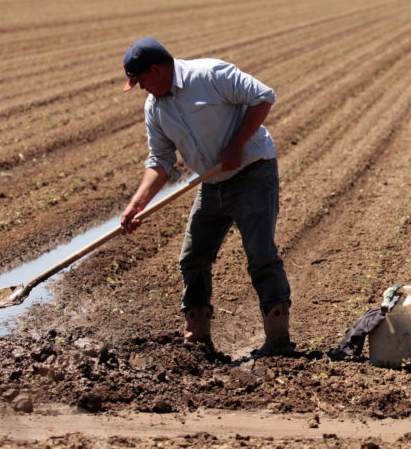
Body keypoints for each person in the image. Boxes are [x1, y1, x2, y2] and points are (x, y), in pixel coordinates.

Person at [119, 37, 293, 354]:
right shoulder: (155, 107)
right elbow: (160, 161)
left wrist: (237, 144)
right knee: (193, 257)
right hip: (212, 184)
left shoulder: (210, 74)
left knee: (260, 254)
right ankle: (197, 340)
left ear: (156, 70)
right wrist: (137, 204)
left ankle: (278, 341)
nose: (141, 88)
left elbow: (263, 97)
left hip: (254, 173)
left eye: (141, 80)